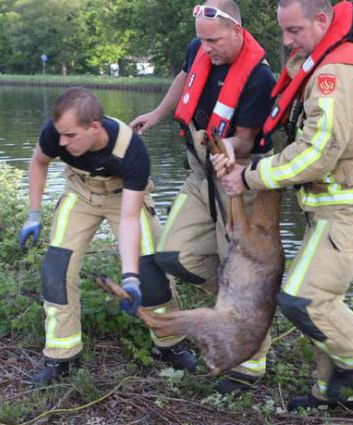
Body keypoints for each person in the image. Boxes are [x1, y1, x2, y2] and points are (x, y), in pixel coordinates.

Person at [213, 0, 353, 411]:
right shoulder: (328, 57)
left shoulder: (337, 69)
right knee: (321, 297)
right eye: (283, 31)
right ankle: (329, 396)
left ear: (323, 20)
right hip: (334, 198)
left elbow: (318, 152)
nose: (286, 41)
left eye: (294, 31)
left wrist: (250, 176)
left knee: (304, 298)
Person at [129, 0, 276, 394]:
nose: (206, 49)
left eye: (214, 41)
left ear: (237, 32)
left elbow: (245, 139)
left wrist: (222, 148)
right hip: (200, 173)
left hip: (237, 178)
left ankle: (252, 363)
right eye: (202, 41)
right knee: (172, 254)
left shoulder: (260, 79)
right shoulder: (200, 47)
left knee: (242, 275)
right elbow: (184, 77)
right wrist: (158, 113)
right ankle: (237, 311)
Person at [19, 88, 195, 387]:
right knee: (56, 269)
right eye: (60, 134)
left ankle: (170, 343)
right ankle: (62, 354)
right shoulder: (56, 132)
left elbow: (128, 218)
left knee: (150, 272)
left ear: (95, 127)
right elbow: (39, 161)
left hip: (122, 196)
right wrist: (34, 213)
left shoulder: (131, 150)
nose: (62, 142)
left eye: (71, 135)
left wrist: (129, 277)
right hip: (80, 193)